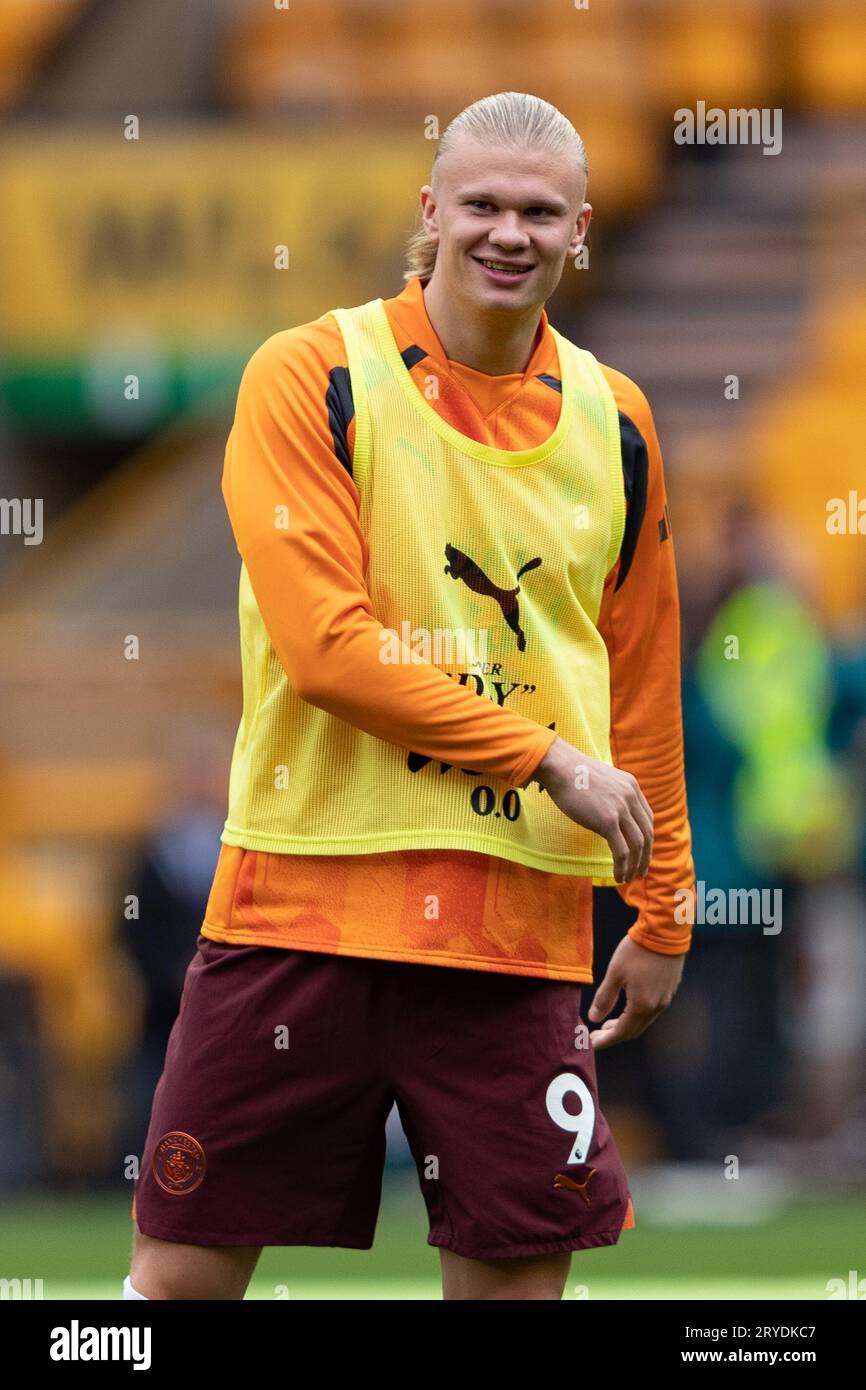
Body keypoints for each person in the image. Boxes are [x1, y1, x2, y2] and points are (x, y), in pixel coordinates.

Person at [125, 91, 695, 1302]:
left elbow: (640, 681)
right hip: (301, 906)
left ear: (580, 228)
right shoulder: (309, 373)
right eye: (481, 205)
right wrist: (544, 758)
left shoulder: (618, 420)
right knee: (178, 1286)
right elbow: (328, 651)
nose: (507, 233)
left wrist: (663, 909)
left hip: (514, 928)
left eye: (538, 212)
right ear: (429, 211)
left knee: (513, 1287)